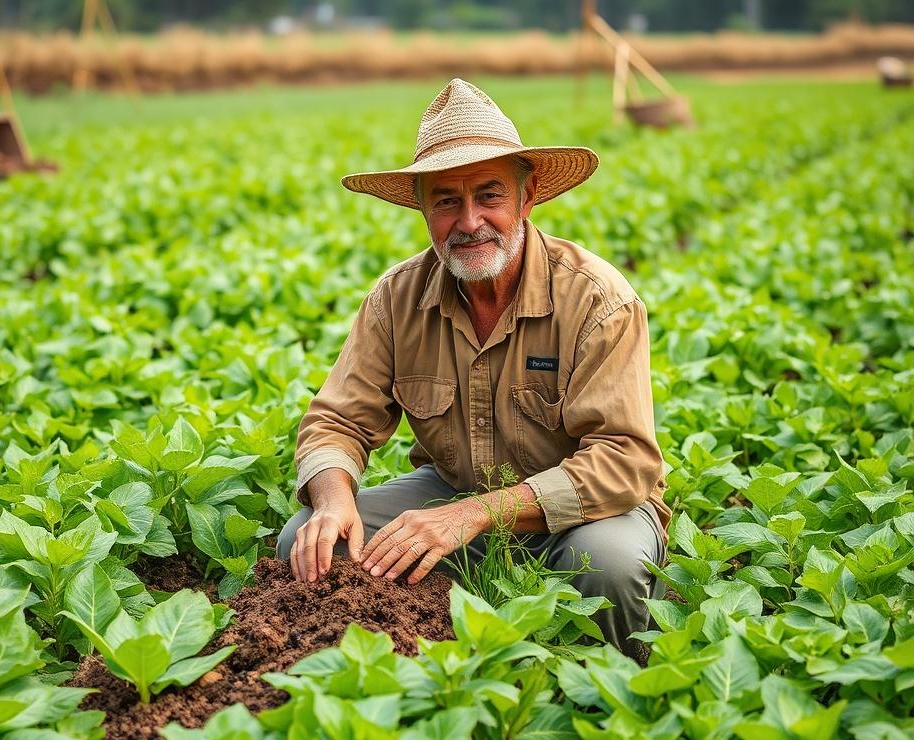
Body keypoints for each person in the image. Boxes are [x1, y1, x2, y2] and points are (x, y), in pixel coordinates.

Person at [276, 78, 671, 654]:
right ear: (423, 210)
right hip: (455, 489)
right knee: (308, 542)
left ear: (527, 197)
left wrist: (476, 516)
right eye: (445, 201)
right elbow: (336, 422)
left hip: (581, 513)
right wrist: (334, 501)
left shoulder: (596, 298)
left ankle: (615, 700)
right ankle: (412, 673)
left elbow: (624, 461)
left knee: (606, 566)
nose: (468, 221)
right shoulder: (397, 298)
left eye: (489, 196)